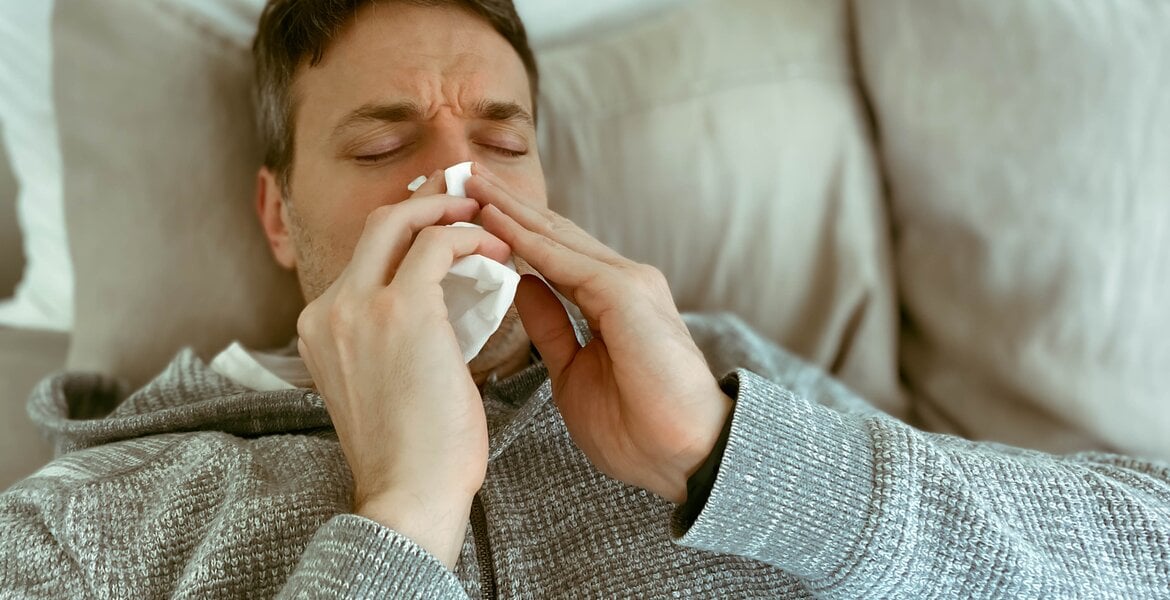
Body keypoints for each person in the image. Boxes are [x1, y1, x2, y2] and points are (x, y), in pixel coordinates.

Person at [2, 0, 1168, 597]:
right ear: (276, 215)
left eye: (500, 140)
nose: (456, 186)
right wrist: (400, 516)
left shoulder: (715, 373)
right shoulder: (88, 519)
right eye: (379, 147)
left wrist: (730, 456)